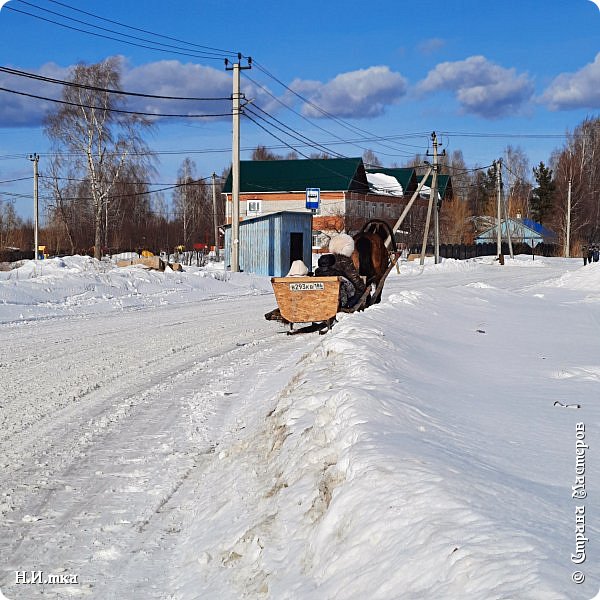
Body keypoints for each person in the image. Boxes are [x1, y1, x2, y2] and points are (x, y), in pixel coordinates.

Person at [327, 233, 367, 306]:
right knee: (360, 291)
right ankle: (350, 306)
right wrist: (363, 286)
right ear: (347, 247)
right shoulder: (345, 260)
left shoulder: (329, 259)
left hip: (330, 289)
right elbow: (353, 276)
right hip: (342, 292)